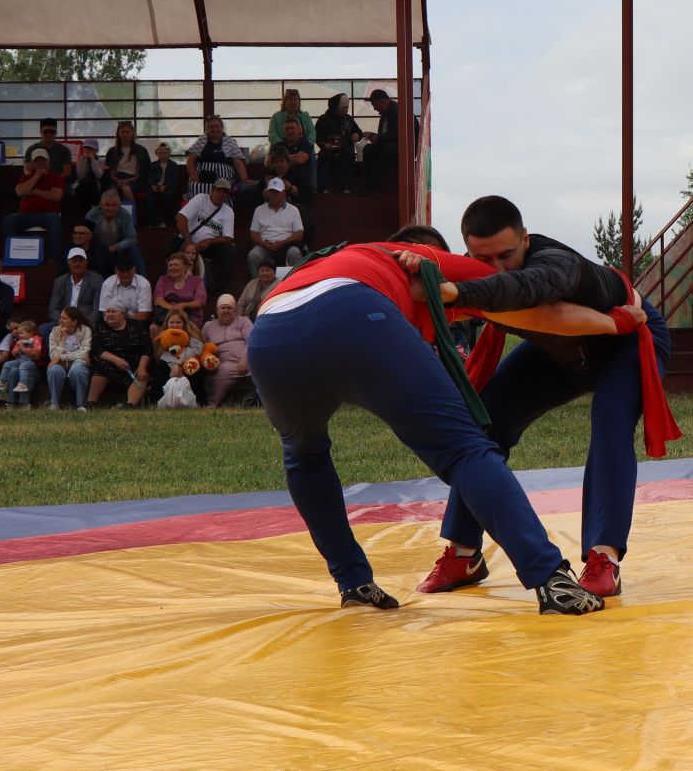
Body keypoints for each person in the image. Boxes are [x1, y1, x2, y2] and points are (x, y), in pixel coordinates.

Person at [255, 228, 627, 615]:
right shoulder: (416, 258)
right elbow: (524, 293)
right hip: (353, 314)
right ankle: (550, 578)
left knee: (304, 457)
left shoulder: (339, 259)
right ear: (420, 254)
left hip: (270, 335)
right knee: (466, 449)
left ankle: (354, 582)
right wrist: (617, 315)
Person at [410, 199, 676, 602]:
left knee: (611, 422)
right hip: (563, 349)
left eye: (507, 254)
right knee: (485, 424)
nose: (497, 267)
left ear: (526, 239)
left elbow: (525, 290)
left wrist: (457, 291)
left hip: (625, 338)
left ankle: (604, 558)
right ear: (468, 252)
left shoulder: (557, 264)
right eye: (484, 258)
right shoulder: (477, 276)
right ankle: (463, 553)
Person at [176, 175, 237, 292]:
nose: (221, 194)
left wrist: (209, 241)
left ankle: (218, 291)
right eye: (218, 190)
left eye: (225, 192)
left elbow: (229, 238)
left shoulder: (228, 210)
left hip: (208, 246)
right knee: (182, 256)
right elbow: (181, 218)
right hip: (187, 240)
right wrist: (190, 243)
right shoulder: (200, 199)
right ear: (212, 190)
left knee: (229, 251)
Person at [86, 304, 152, 408]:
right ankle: (90, 403)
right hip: (110, 362)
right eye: (108, 312)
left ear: (123, 314)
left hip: (134, 363)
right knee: (101, 367)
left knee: (142, 375)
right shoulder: (100, 327)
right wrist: (116, 360)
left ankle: (130, 405)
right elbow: (96, 350)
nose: (110, 314)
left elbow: (147, 349)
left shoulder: (136, 326)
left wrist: (142, 367)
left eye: (113, 311)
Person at [3, 150, 66, 257]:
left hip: (48, 215)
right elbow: (19, 192)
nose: (40, 163)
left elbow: (56, 196)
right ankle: (13, 255)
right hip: (26, 214)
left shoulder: (56, 178)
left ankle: (53, 258)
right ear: (32, 163)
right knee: (8, 220)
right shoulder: (26, 178)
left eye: (43, 160)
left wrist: (35, 191)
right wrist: (36, 176)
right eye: (37, 161)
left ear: (48, 162)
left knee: (55, 220)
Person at [247, 177, 307, 275]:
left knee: (294, 253)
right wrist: (263, 243)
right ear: (267, 193)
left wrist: (282, 243)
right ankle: (258, 285)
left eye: (277, 192)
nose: (274, 195)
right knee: (253, 255)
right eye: (271, 192)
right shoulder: (259, 209)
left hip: (287, 245)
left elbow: (299, 234)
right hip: (265, 245)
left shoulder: (293, 210)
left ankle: (293, 284)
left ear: (284, 193)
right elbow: (253, 234)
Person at [203, 293, 254, 405]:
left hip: (247, 361)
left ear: (235, 309)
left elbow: (252, 341)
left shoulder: (244, 321)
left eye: (229, 308)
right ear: (217, 310)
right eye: (223, 308)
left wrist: (244, 358)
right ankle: (213, 404)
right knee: (223, 370)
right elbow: (204, 347)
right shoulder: (208, 326)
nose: (226, 311)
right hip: (223, 364)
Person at [185, 115, 248, 199]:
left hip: (224, 177)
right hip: (203, 176)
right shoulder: (202, 140)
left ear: (222, 128)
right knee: (196, 186)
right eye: (211, 127)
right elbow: (190, 160)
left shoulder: (230, 142)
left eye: (217, 126)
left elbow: (238, 163)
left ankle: (221, 211)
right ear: (207, 129)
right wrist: (193, 175)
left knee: (222, 189)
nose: (215, 129)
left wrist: (245, 180)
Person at [85, 188, 144, 276]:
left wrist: (117, 246)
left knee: (134, 250)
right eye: (107, 205)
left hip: (118, 248)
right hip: (97, 248)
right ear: (101, 205)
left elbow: (132, 238)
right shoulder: (91, 215)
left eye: (114, 205)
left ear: (119, 206)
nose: (110, 208)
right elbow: (85, 236)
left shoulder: (125, 215)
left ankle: (142, 281)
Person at [46, 305, 94, 411]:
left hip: (78, 363)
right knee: (54, 370)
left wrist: (62, 357)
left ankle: (80, 405)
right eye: (61, 317)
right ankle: (55, 403)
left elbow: (85, 352)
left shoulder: (86, 330)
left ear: (74, 321)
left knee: (78, 371)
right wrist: (63, 339)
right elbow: (53, 355)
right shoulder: (55, 331)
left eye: (64, 318)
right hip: (62, 364)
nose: (60, 320)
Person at [314, 93, 361, 193]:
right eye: (343, 107)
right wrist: (324, 145)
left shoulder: (348, 119)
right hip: (328, 150)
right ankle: (324, 189)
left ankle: (346, 188)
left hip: (345, 150)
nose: (346, 110)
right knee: (323, 158)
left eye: (347, 107)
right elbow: (317, 137)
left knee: (348, 157)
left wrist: (356, 135)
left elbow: (359, 132)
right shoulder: (323, 119)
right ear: (335, 107)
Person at [0, 316, 44, 409]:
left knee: (23, 366)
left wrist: (24, 349)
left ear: (30, 333)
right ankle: (10, 400)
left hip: (32, 367)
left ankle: (24, 402)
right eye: (11, 330)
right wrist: (17, 350)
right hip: (20, 362)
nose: (17, 334)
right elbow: (13, 354)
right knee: (11, 368)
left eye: (20, 332)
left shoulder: (36, 340)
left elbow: (37, 354)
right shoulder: (19, 341)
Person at [102, 122, 151, 207]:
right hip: (116, 179)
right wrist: (118, 181)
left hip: (135, 180)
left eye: (128, 132)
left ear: (133, 134)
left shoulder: (141, 150)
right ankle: (114, 218)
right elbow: (110, 171)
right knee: (111, 192)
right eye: (122, 132)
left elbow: (146, 169)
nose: (125, 135)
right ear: (118, 134)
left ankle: (130, 217)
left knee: (126, 189)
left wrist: (129, 180)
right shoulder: (112, 151)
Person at [98, 253, 153, 326]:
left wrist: (121, 320)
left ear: (134, 269)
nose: (125, 274)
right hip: (113, 325)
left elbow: (144, 315)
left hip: (137, 325)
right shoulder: (107, 284)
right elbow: (105, 314)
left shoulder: (144, 284)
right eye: (122, 271)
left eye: (128, 270)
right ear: (116, 270)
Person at [362, 89, 402, 188]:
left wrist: (377, 137)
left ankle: (376, 182)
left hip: (401, 147)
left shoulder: (397, 111)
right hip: (389, 144)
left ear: (383, 102)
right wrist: (374, 136)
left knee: (386, 150)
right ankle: (370, 183)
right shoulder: (385, 113)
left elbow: (397, 134)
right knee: (368, 149)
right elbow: (387, 134)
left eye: (375, 105)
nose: (375, 109)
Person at [141, 142, 188, 227]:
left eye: (165, 152)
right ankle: (151, 222)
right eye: (160, 152)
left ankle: (167, 221)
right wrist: (152, 185)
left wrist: (166, 186)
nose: (162, 154)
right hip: (156, 187)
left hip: (170, 187)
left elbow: (175, 180)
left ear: (169, 153)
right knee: (149, 197)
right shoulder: (153, 165)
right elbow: (149, 177)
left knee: (168, 196)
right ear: (157, 154)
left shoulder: (173, 165)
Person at [274, 116, 318, 197]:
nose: (290, 131)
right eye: (286, 129)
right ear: (283, 131)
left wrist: (281, 158)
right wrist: (295, 156)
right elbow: (268, 162)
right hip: (278, 184)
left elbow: (300, 160)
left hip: (300, 186)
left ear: (299, 129)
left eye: (292, 128)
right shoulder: (278, 145)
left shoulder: (305, 144)